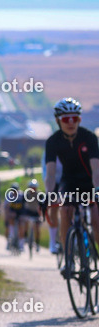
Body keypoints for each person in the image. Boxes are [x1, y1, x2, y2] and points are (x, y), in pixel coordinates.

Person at [44, 98, 99, 271]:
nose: (70, 123)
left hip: (89, 181)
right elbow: (51, 173)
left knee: (96, 220)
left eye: (74, 118)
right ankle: (69, 258)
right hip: (69, 181)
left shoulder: (89, 137)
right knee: (65, 210)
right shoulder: (53, 141)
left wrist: (97, 190)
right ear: (58, 120)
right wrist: (49, 193)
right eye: (66, 119)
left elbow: (96, 169)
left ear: (79, 120)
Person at [3, 182, 24, 250]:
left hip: (20, 211)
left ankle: (21, 245)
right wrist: (7, 215)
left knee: (21, 227)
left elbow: (25, 206)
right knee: (10, 219)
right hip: (12, 211)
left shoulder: (21, 195)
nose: (14, 192)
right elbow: (6, 207)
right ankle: (11, 235)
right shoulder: (9, 195)